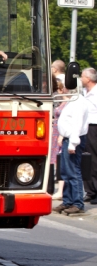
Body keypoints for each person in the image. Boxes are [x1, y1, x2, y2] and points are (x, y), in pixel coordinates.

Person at [53, 82, 89, 216]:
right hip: (68, 139)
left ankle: (77, 203)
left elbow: (77, 124)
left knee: (73, 171)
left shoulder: (78, 102)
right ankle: (68, 200)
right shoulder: (74, 100)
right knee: (66, 171)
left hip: (73, 139)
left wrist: (73, 143)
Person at [80, 67, 97, 204]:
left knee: (94, 159)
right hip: (85, 127)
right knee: (86, 159)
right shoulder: (84, 92)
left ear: (88, 79)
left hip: (94, 127)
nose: (80, 79)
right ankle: (89, 190)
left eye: (82, 76)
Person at [51, 78, 66, 200]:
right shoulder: (61, 100)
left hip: (60, 132)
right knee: (55, 159)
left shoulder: (62, 100)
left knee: (60, 161)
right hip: (56, 130)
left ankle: (62, 191)